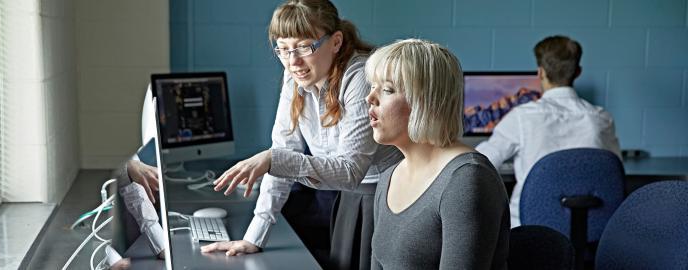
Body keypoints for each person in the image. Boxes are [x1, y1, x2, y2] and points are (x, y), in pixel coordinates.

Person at [203, 1, 403, 269]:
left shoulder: (360, 77)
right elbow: (284, 150)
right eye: (283, 50)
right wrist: (254, 237)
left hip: (383, 195)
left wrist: (273, 160)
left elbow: (350, 170)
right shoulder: (294, 77)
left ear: (335, 42)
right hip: (348, 193)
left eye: (304, 47)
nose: (293, 61)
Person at [365, 39, 509, 270]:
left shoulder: (467, 180)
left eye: (387, 90)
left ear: (425, 102)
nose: (370, 98)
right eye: (372, 86)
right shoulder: (388, 177)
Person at [476, 35, 621, 228]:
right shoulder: (602, 119)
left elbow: (479, 163)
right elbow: (615, 168)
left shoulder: (522, 117)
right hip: (592, 228)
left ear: (541, 73)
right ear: (577, 72)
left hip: (530, 230)